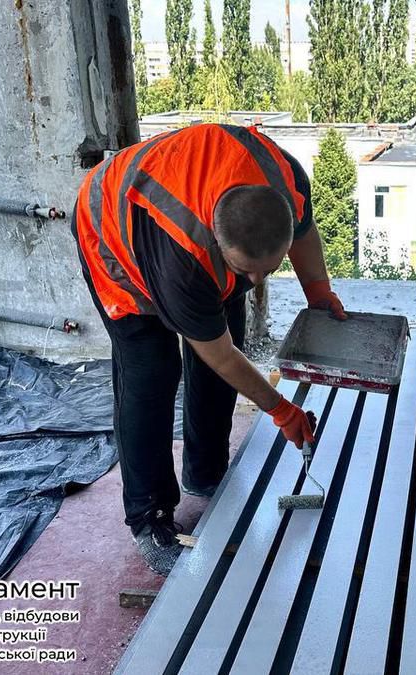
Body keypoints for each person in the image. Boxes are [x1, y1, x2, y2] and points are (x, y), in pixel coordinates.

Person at [71, 123, 347, 574]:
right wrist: (281, 410)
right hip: (113, 234)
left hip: (193, 231)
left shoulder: (287, 182)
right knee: (151, 371)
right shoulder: (183, 260)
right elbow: (218, 355)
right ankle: (148, 515)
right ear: (218, 242)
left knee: (225, 334)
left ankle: (205, 472)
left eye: (267, 270)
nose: (255, 281)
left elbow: (302, 232)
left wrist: (318, 292)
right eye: (245, 269)